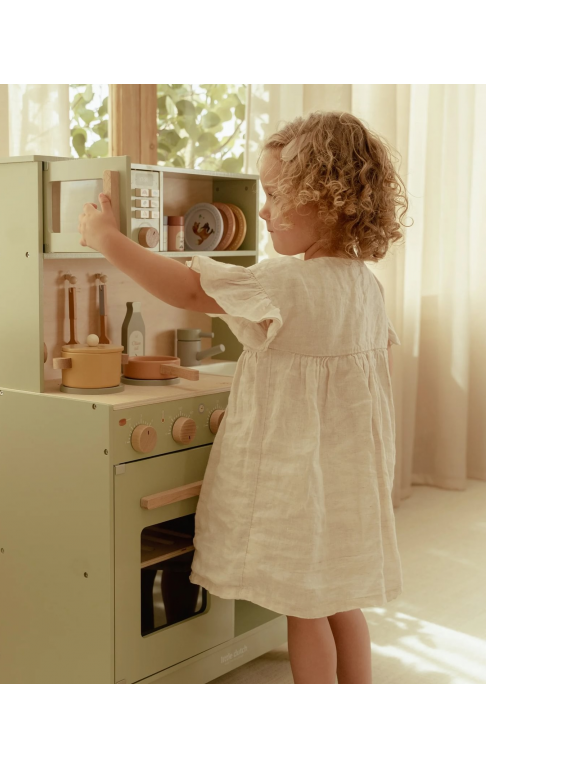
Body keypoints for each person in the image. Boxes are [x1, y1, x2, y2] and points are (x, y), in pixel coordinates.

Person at [78, 111, 407, 684]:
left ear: (323, 200)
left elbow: (188, 289)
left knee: (304, 609)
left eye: (275, 195)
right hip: (346, 478)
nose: (263, 210)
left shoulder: (284, 282)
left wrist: (107, 238)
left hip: (297, 478)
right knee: (341, 600)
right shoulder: (366, 286)